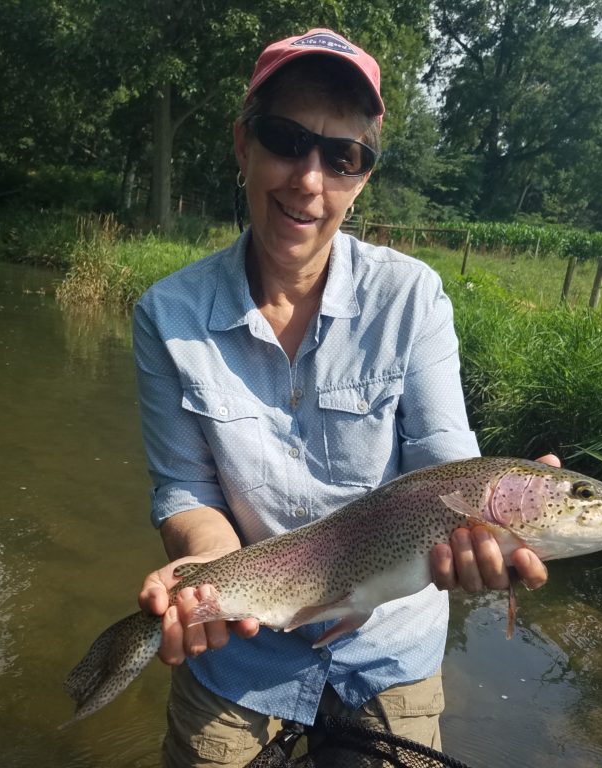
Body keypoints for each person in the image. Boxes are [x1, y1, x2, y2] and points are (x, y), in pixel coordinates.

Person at [133, 28, 551, 766]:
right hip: (238, 655)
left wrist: (484, 534)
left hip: (390, 650)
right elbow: (186, 489)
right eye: (287, 140)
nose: (309, 180)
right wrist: (202, 578)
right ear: (243, 145)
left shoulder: (414, 299)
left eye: (342, 156)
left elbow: (446, 467)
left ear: (363, 176)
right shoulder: (166, 317)